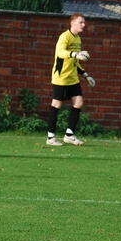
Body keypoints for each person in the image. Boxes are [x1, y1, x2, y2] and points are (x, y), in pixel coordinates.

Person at [46, 13, 95, 146]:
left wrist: (85, 75)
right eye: (81, 22)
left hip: (73, 78)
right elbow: (60, 53)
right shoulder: (64, 36)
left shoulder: (78, 39)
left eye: (84, 23)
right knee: (56, 105)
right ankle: (50, 137)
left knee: (78, 103)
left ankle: (69, 134)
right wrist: (75, 54)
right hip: (61, 77)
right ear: (72, 23)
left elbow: (76, 61)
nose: (84, 25)